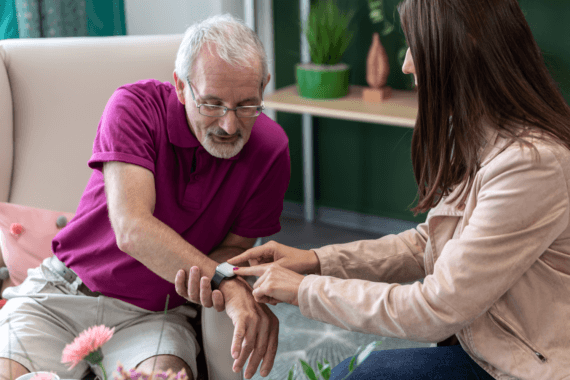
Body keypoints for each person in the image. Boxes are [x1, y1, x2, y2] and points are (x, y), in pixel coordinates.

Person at [179, 0, 570, 379]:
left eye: (415, 46)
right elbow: (427, 244)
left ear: (461, 47)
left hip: (517, 365)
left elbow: (436, 307)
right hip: (479, 342)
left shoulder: (531, 164)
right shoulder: (484, 135)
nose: (406, 64)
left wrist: (306, 290)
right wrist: (315, 260)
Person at [0, 14, 289, 380]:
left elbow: (235, 246)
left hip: (156, 314)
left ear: (264, 85)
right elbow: (132, 228)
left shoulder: (271, 150)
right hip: (63, 293)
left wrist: (222, 272)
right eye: (212, 104)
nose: (229, 126)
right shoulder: (134, 107)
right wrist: (226, 284)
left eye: (246, 104)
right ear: (181, 87)